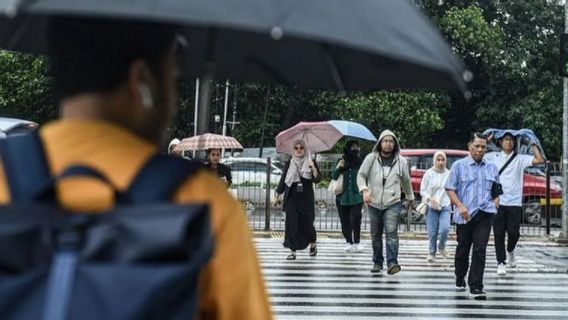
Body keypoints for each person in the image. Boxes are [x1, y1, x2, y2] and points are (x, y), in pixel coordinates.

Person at [0, 16, 271, 319]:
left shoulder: (4, 175)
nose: (172, 99)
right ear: (142, 80)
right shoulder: (201, 201)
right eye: (172, 76)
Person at [445, 132, 500, 300]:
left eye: (483, 147)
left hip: (485, 214)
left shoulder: (492, 167)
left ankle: (476, 286)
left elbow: (497, 191)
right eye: (477, 146)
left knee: (480, 249)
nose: (480, 150)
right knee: (463, 249)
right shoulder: (458, 166)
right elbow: (450, 188)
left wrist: (495, 204)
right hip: (465, 214)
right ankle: (460, 275)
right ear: (469, 146)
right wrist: (460, 206)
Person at [485, 132, 544, 275]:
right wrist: (486, 142)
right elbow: (478, 154)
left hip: (515, 203)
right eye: (506, 139)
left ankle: (510, 250)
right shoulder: (493, 156)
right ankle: (501, 262)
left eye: (511, 140)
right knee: (498, 234)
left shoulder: (519, 159)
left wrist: (534, 144)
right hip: (498, 201)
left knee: (514, 233)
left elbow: (539, 159)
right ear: (500, 142)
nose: (509, 142)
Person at [357, 130, 414, 275]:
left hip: (392, 202)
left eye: (391, 141)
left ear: (395, 144)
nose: (388, 144)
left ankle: (392, 263)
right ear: (380, 143)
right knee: (375, 234)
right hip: (374, 201)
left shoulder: (401, 161)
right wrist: (364, 190)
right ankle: (377, 262)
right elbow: (361, 175)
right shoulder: (371, 158)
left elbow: (406, 180)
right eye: (385, 141)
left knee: (391, 232)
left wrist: (410, 197)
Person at [274, 140, 321, 260]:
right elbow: (284, 179)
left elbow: (317, 179)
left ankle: (313, 243)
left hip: (306, 198)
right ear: (293, 149)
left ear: (305, 149)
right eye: (296, 148)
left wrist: (313, 168)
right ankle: (293, 251)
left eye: (301, 148)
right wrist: (277, 196)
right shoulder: (289, 162)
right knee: (292, 223)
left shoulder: (311, 161)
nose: (299, 150)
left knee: (307, 223)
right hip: (291, 197)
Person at [332, 140, 364, 253]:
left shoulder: (361, 162)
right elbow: (334, 176)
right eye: (352, 147)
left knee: (355, 218)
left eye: (357, 146)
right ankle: (348, 241)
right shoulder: (341, 161)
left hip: (356, 196)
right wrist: (338, 168)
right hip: (342, 196)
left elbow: (365, 176)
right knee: (344, 220)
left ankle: (357, 241)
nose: (355, 149)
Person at [420, 150, 451, 262]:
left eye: (443, 160)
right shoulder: (428, 173)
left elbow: (452, 189)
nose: (441, 162)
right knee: (432, 232)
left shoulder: (449, 174)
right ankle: (432, 253)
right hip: (431, 206)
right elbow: (422, 190)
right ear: (434, 160)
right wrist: (430, 198)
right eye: (438, 160)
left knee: (445, 229)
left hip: (445, 205)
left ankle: (441, 247)